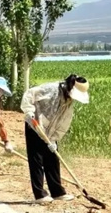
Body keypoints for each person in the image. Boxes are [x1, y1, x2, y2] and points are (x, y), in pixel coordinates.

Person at [19, 74, 90, 204]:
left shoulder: (68, 101)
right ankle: (40, 194)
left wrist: (54, 139)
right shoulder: (51, 89)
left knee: (52, 158)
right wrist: (29, 111)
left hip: (50, 131)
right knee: (36, 159)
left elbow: (63, 123)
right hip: (35, 124)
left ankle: (57, 192)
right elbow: (30, 94)